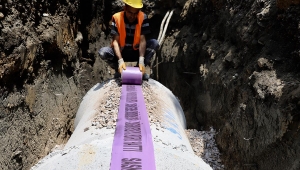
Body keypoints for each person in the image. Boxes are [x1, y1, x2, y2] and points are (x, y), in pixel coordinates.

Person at [98, 0, 159, 79]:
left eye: (135, 13)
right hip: (121, 52)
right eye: (130, 12)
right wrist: (120, 61)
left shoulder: (142, 17)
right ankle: (119, 70)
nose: (132, 16)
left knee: (154, 43)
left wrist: (141, 60)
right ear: (125, 8)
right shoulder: (117, 18)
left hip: (136, 51)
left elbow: (142, 40)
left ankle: (139, 70)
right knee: (103, 52)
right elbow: (115, 42)